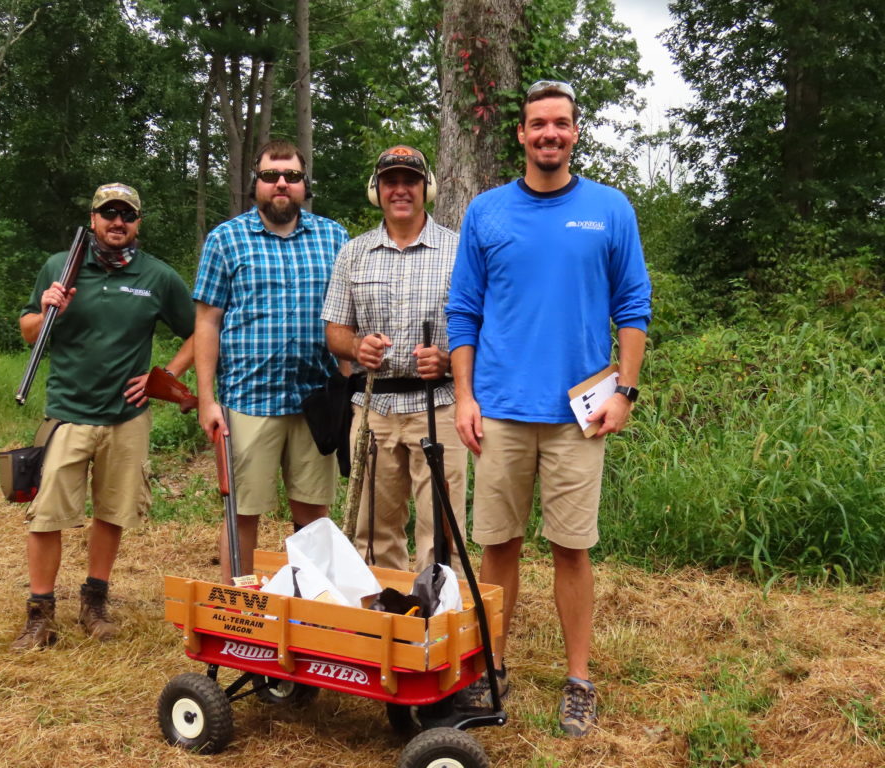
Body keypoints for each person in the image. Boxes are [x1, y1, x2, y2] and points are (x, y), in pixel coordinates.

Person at [446, 81, 652, 734]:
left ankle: (579, 681)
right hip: (501, 411)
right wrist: (464, 397)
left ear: (575, 132)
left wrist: (625, 391)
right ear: (522, 134)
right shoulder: (486, 213)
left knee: (572, 549)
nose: (549, 134)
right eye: (538, 124)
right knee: (497, 545)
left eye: (560, 123)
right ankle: (491, 669)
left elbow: (634, 306)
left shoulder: (610, 209)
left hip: (577, 420)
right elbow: (463, 311)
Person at [13, 182, 196, 650]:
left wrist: (165, 376)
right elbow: (29, 331)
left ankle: (94, 603)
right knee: (46, 516)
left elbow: (201, 330)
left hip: (126, 416)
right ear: (93, 219)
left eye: (127, 215)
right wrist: (48, 310)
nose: (118, 222)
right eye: (109, 213)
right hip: (67, 412)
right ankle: (39, 614)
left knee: (112, 512)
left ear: (138, 222)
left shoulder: (157, 276)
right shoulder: (61, 267)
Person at [193, 140, 349, 584]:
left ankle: (311, 606)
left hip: (315, 401)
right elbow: (207, 322)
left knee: (313, 514)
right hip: (248, 400)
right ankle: (240, 609)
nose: (282, 183)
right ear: (255, 183)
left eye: (292, 176)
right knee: (242, 513)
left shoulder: (334, 237)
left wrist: (346, 390)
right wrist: (207, 399)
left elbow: (348, 316)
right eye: (271, 175)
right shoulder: (225, 239)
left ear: (304, 184)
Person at [322, 145, 467, 572]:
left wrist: (446, 359)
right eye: (391, 182)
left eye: (410, 181)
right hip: (375, 409)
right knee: (372, 532)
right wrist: (356, 347)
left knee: (442, 532)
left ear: (427, 188)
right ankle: (385, 609)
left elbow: (483, 328)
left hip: (439, 405)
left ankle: (439, 609)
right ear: (377, 189)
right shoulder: (354, 253)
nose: (400, 190)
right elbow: (335, 331)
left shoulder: (459, 251)